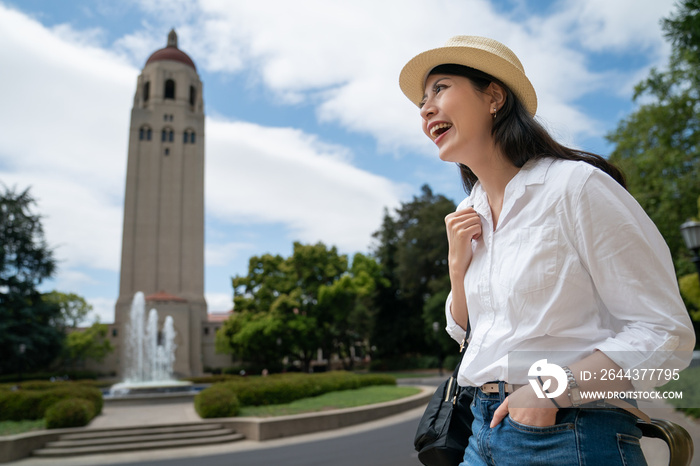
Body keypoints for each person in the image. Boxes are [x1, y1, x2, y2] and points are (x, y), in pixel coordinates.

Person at [399, 36, 695, 465]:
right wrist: (456, 267)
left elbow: (667, 334)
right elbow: (467, 334)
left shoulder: (575, 187)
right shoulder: (469, 212)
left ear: (494, 96)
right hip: (480, 431)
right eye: (422, 101)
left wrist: (549, 392)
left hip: (565, 434)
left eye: (440, 88)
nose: (425, 109)